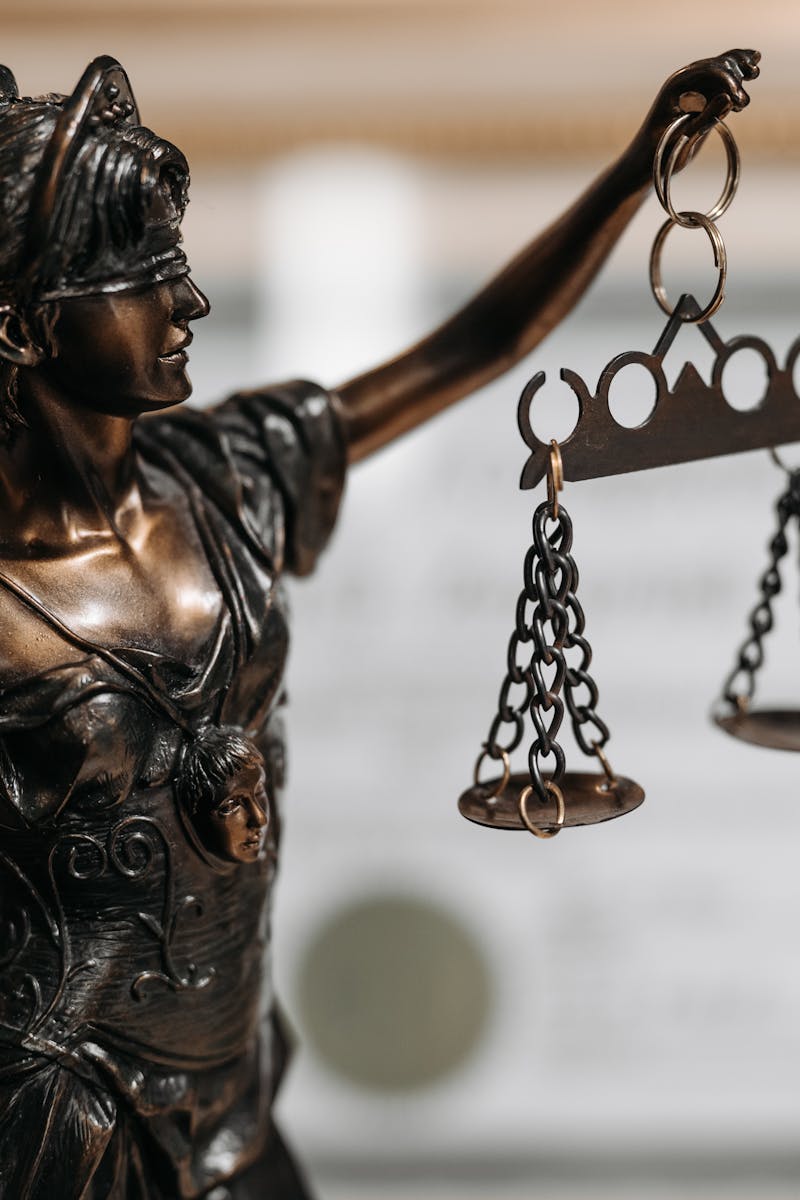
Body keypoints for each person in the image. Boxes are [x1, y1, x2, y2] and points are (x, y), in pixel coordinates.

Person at [0, 49, 758, 1200]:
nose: (188, 302)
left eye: (182, 266)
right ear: (26, 327)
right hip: (66, 1146)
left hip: (236, 1105)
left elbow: (469, 348)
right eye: (140, 278)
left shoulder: (230, 476)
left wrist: (632, 171)